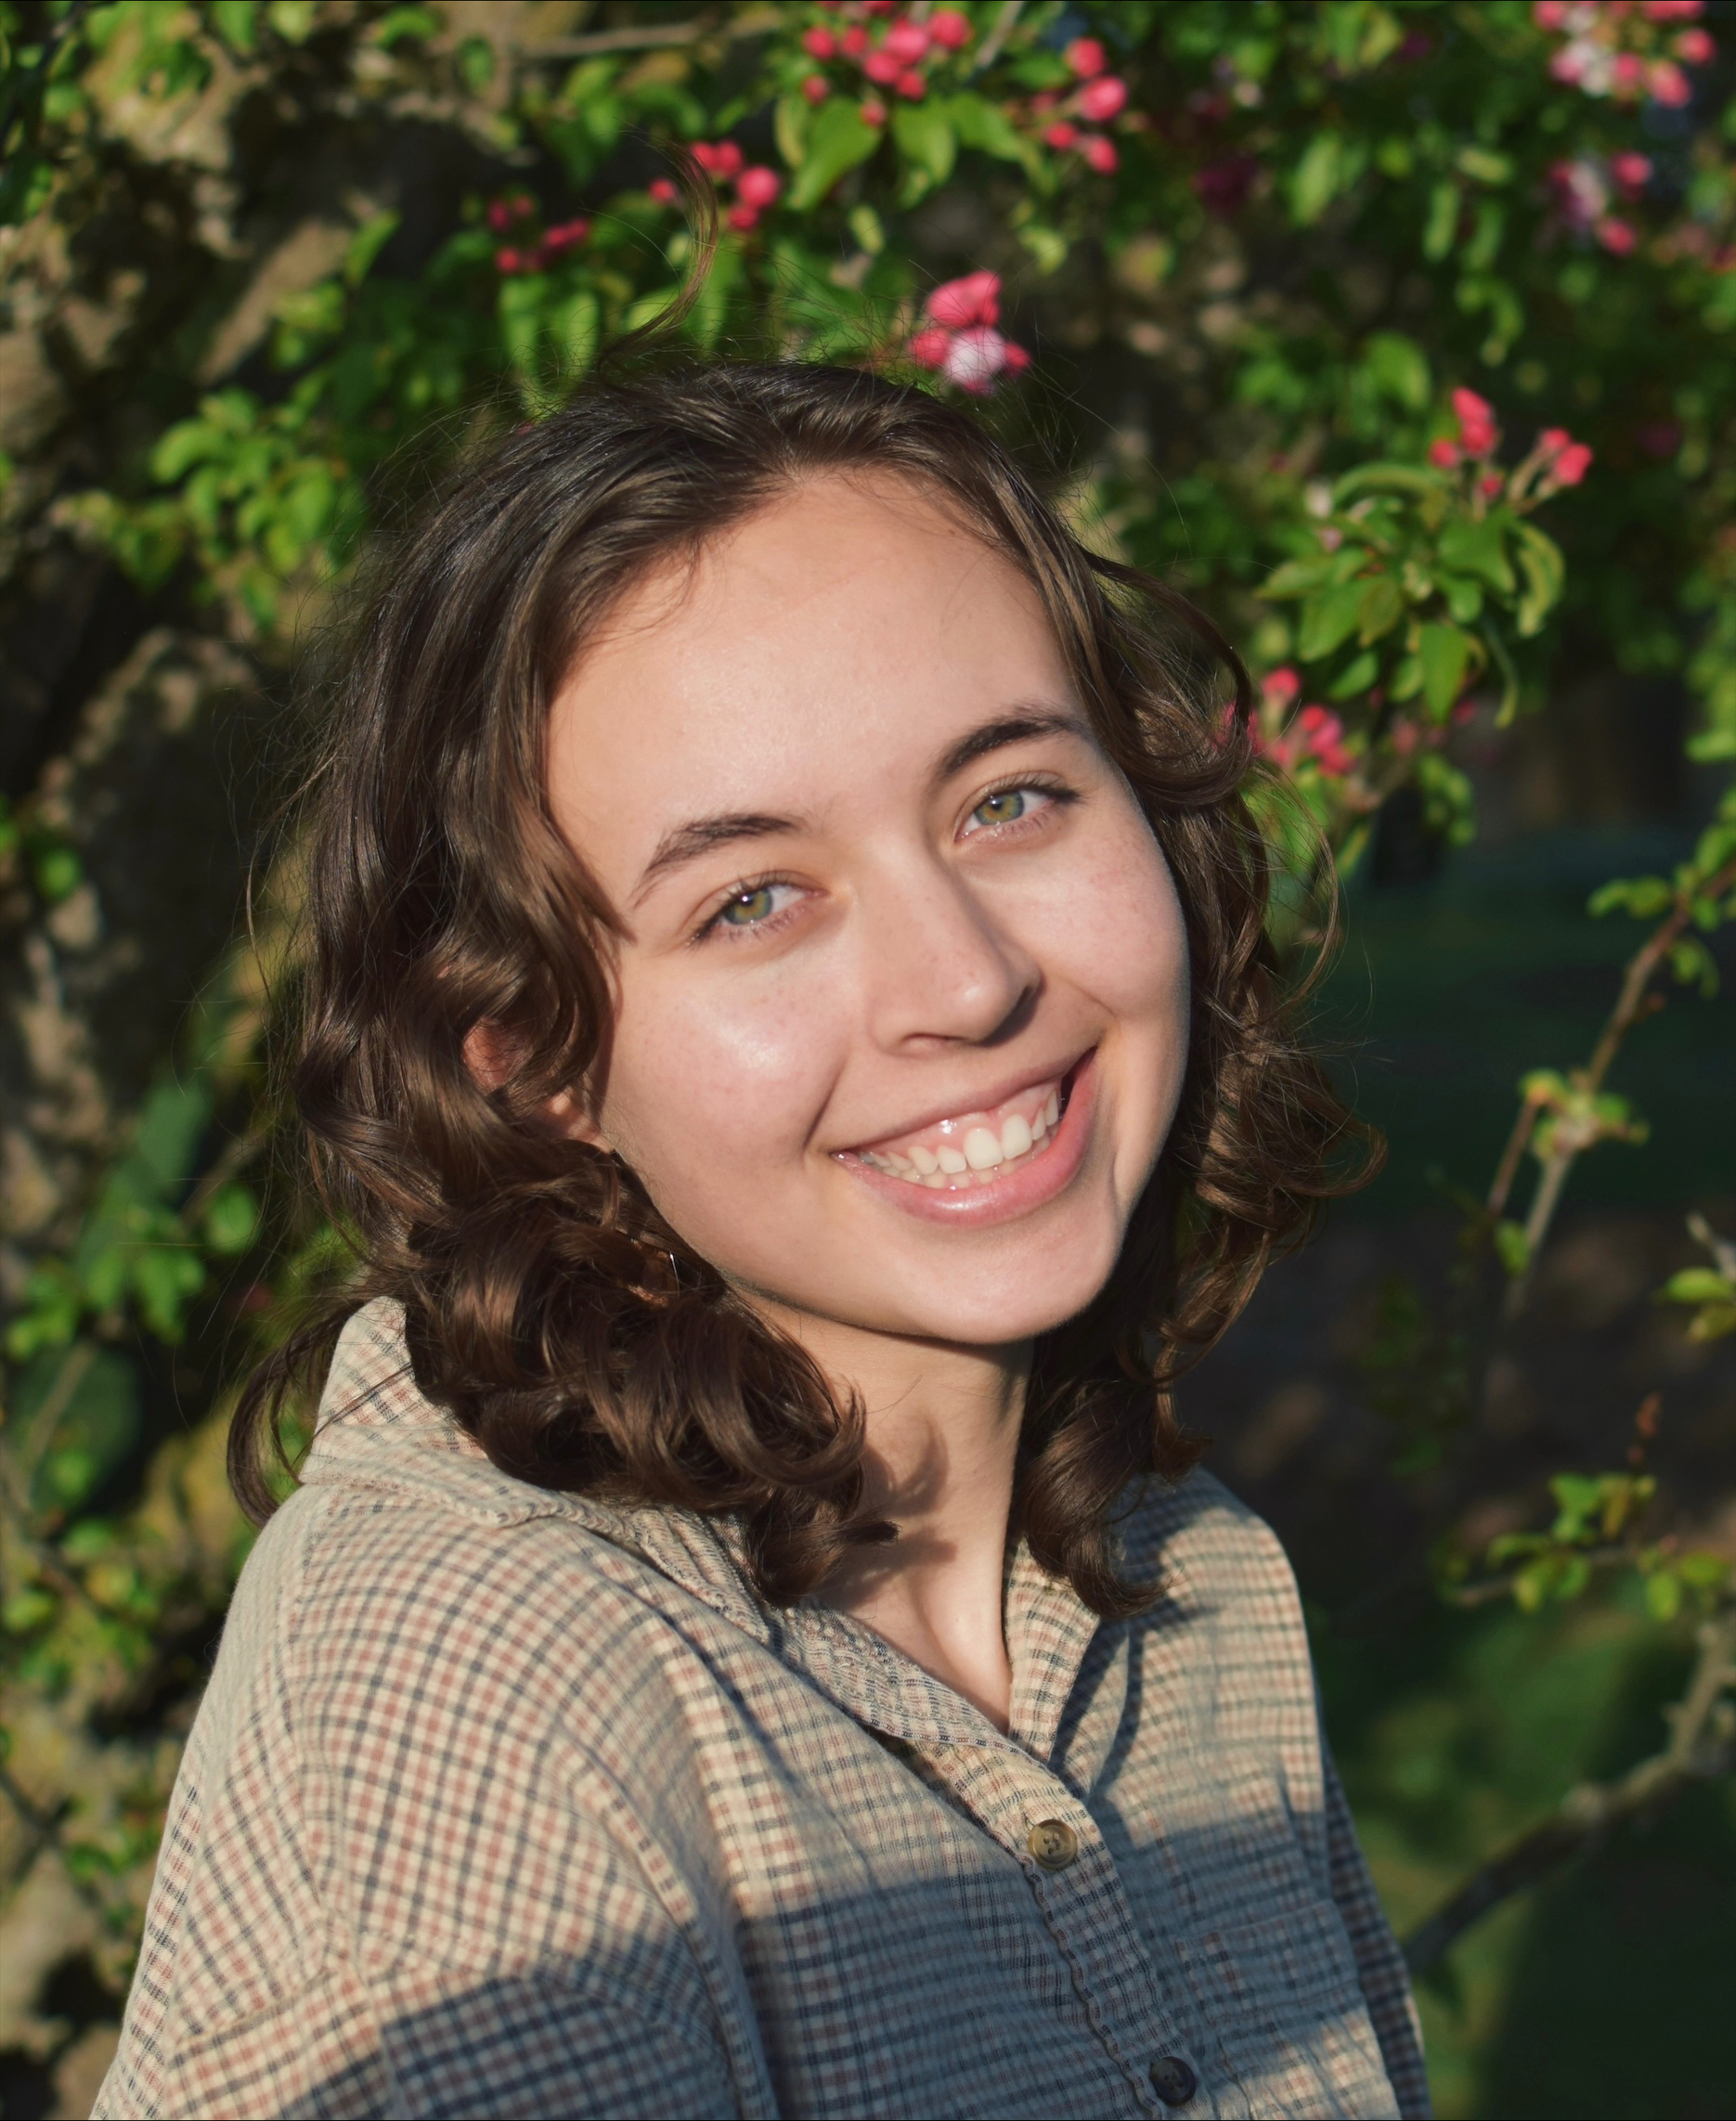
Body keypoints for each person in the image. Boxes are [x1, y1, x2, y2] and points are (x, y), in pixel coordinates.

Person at [95, 361, 1428, 2120]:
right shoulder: (483, 1690)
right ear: (536, 1055)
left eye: (1010, 798)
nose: (967, 979)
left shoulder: (1192, 1584)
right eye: (751, 900)